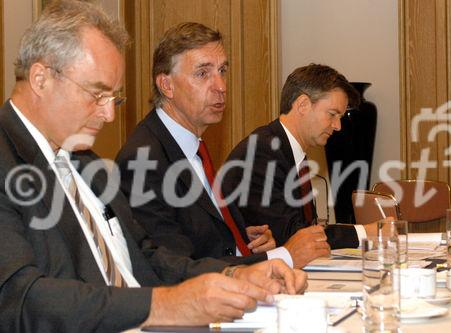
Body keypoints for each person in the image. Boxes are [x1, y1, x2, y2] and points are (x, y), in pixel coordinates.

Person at [0, 2, 306, 332]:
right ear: (41, 78)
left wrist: (233, 274)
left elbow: (146, 256)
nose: (109, 116)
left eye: (114, 99)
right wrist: (165, 305)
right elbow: (19, 298)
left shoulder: (87, 163)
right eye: (97, 94)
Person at [116, 22, 330, 269]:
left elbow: (199, 234)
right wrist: (283, 256)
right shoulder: (142, 160)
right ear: (167, 85)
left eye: (222, 70)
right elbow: (174, 267)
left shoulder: (192, 146)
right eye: (203, 73)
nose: (221, 86)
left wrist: (243, 240)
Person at [223, 64, 382, 248]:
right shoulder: (262, 153)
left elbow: (305, 228)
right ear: (303, 105)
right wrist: (366, 232)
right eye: (332, 114)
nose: (338, 126)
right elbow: (293, 235)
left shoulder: (286, 151)